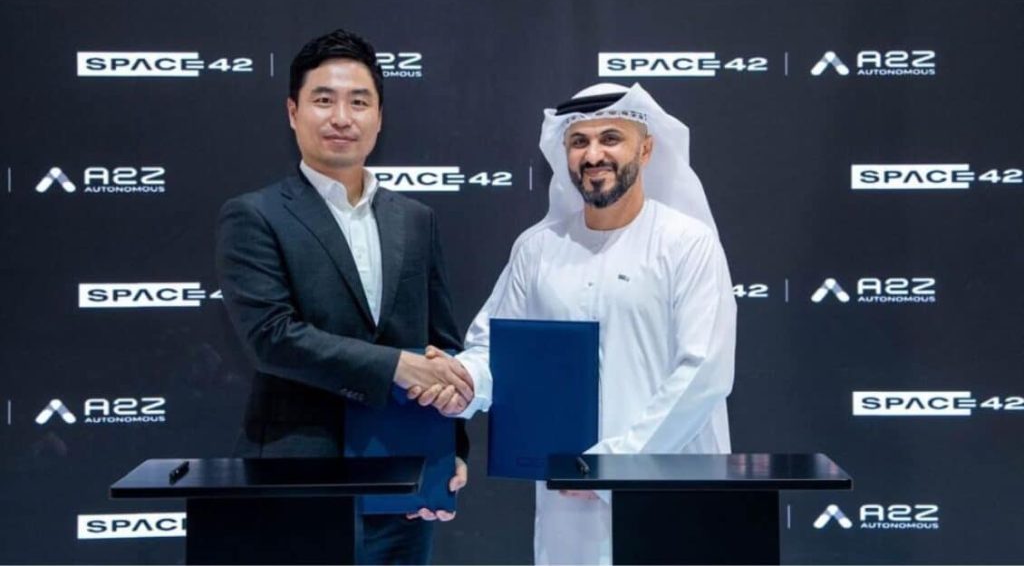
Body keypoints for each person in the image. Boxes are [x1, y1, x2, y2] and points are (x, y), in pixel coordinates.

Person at [415, 82, 737, 564]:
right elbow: (496, 350)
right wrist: (461, 380)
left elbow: (704, 373)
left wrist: (614, 462)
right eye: (579, 142)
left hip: (666, 483)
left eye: (611, 138)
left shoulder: (687, 244)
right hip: (569, 497)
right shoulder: (538, 249)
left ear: (646, 149)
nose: (593, 155)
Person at [215, 28, 475, 565]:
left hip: (404, 482)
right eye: (323, 100)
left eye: (359, 102)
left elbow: (441, 347)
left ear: (379, 117)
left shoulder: (416, 219)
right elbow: (272, 339)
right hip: (297, 478)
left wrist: (452, 448)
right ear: (292, 112)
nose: (341, 117)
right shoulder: (254, 215)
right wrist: (396, 366)